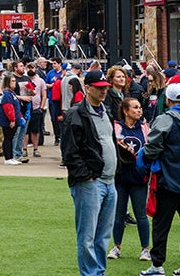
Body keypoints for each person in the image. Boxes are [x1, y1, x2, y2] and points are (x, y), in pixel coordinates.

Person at [138, 83, 180, 276]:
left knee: (161, 222)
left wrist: (146, 158)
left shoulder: (165, 118)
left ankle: (157, 265)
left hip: (169, 177)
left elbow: (153, 145)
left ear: (168, 99)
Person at [61, 69, 118, 276]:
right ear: (87, 88)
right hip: (90, 182)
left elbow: (108, 141)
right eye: (99, 88)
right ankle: (91, 273)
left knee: (103, 235)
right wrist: (87, 175)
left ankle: (99, 272)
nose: (103, 92)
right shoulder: (76, 113)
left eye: (105, 88)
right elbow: (69, 151)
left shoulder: (106, 110)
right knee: (87, 236)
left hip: (109, 181)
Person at [107, 97, 152, 262]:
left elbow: (150, 150)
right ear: (125, 111)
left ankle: (145, 249)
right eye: (135, 108)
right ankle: (116, 247)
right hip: (120, 178)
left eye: (140, 107)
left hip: (139, 179)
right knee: (119, 215)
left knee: (141, 215)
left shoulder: (145, 128)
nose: (139, 110)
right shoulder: (116, 127)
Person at [0, 73, 22, 165]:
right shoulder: (7, 94)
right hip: (8, 120)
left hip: (14, 118)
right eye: (12, 81)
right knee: (8, 138)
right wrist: (12, 119)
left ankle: (11, 157)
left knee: (10, 138)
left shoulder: (12, 93)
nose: (14, 83)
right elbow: (8, 108)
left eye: (15, 81)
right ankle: (8, 158)